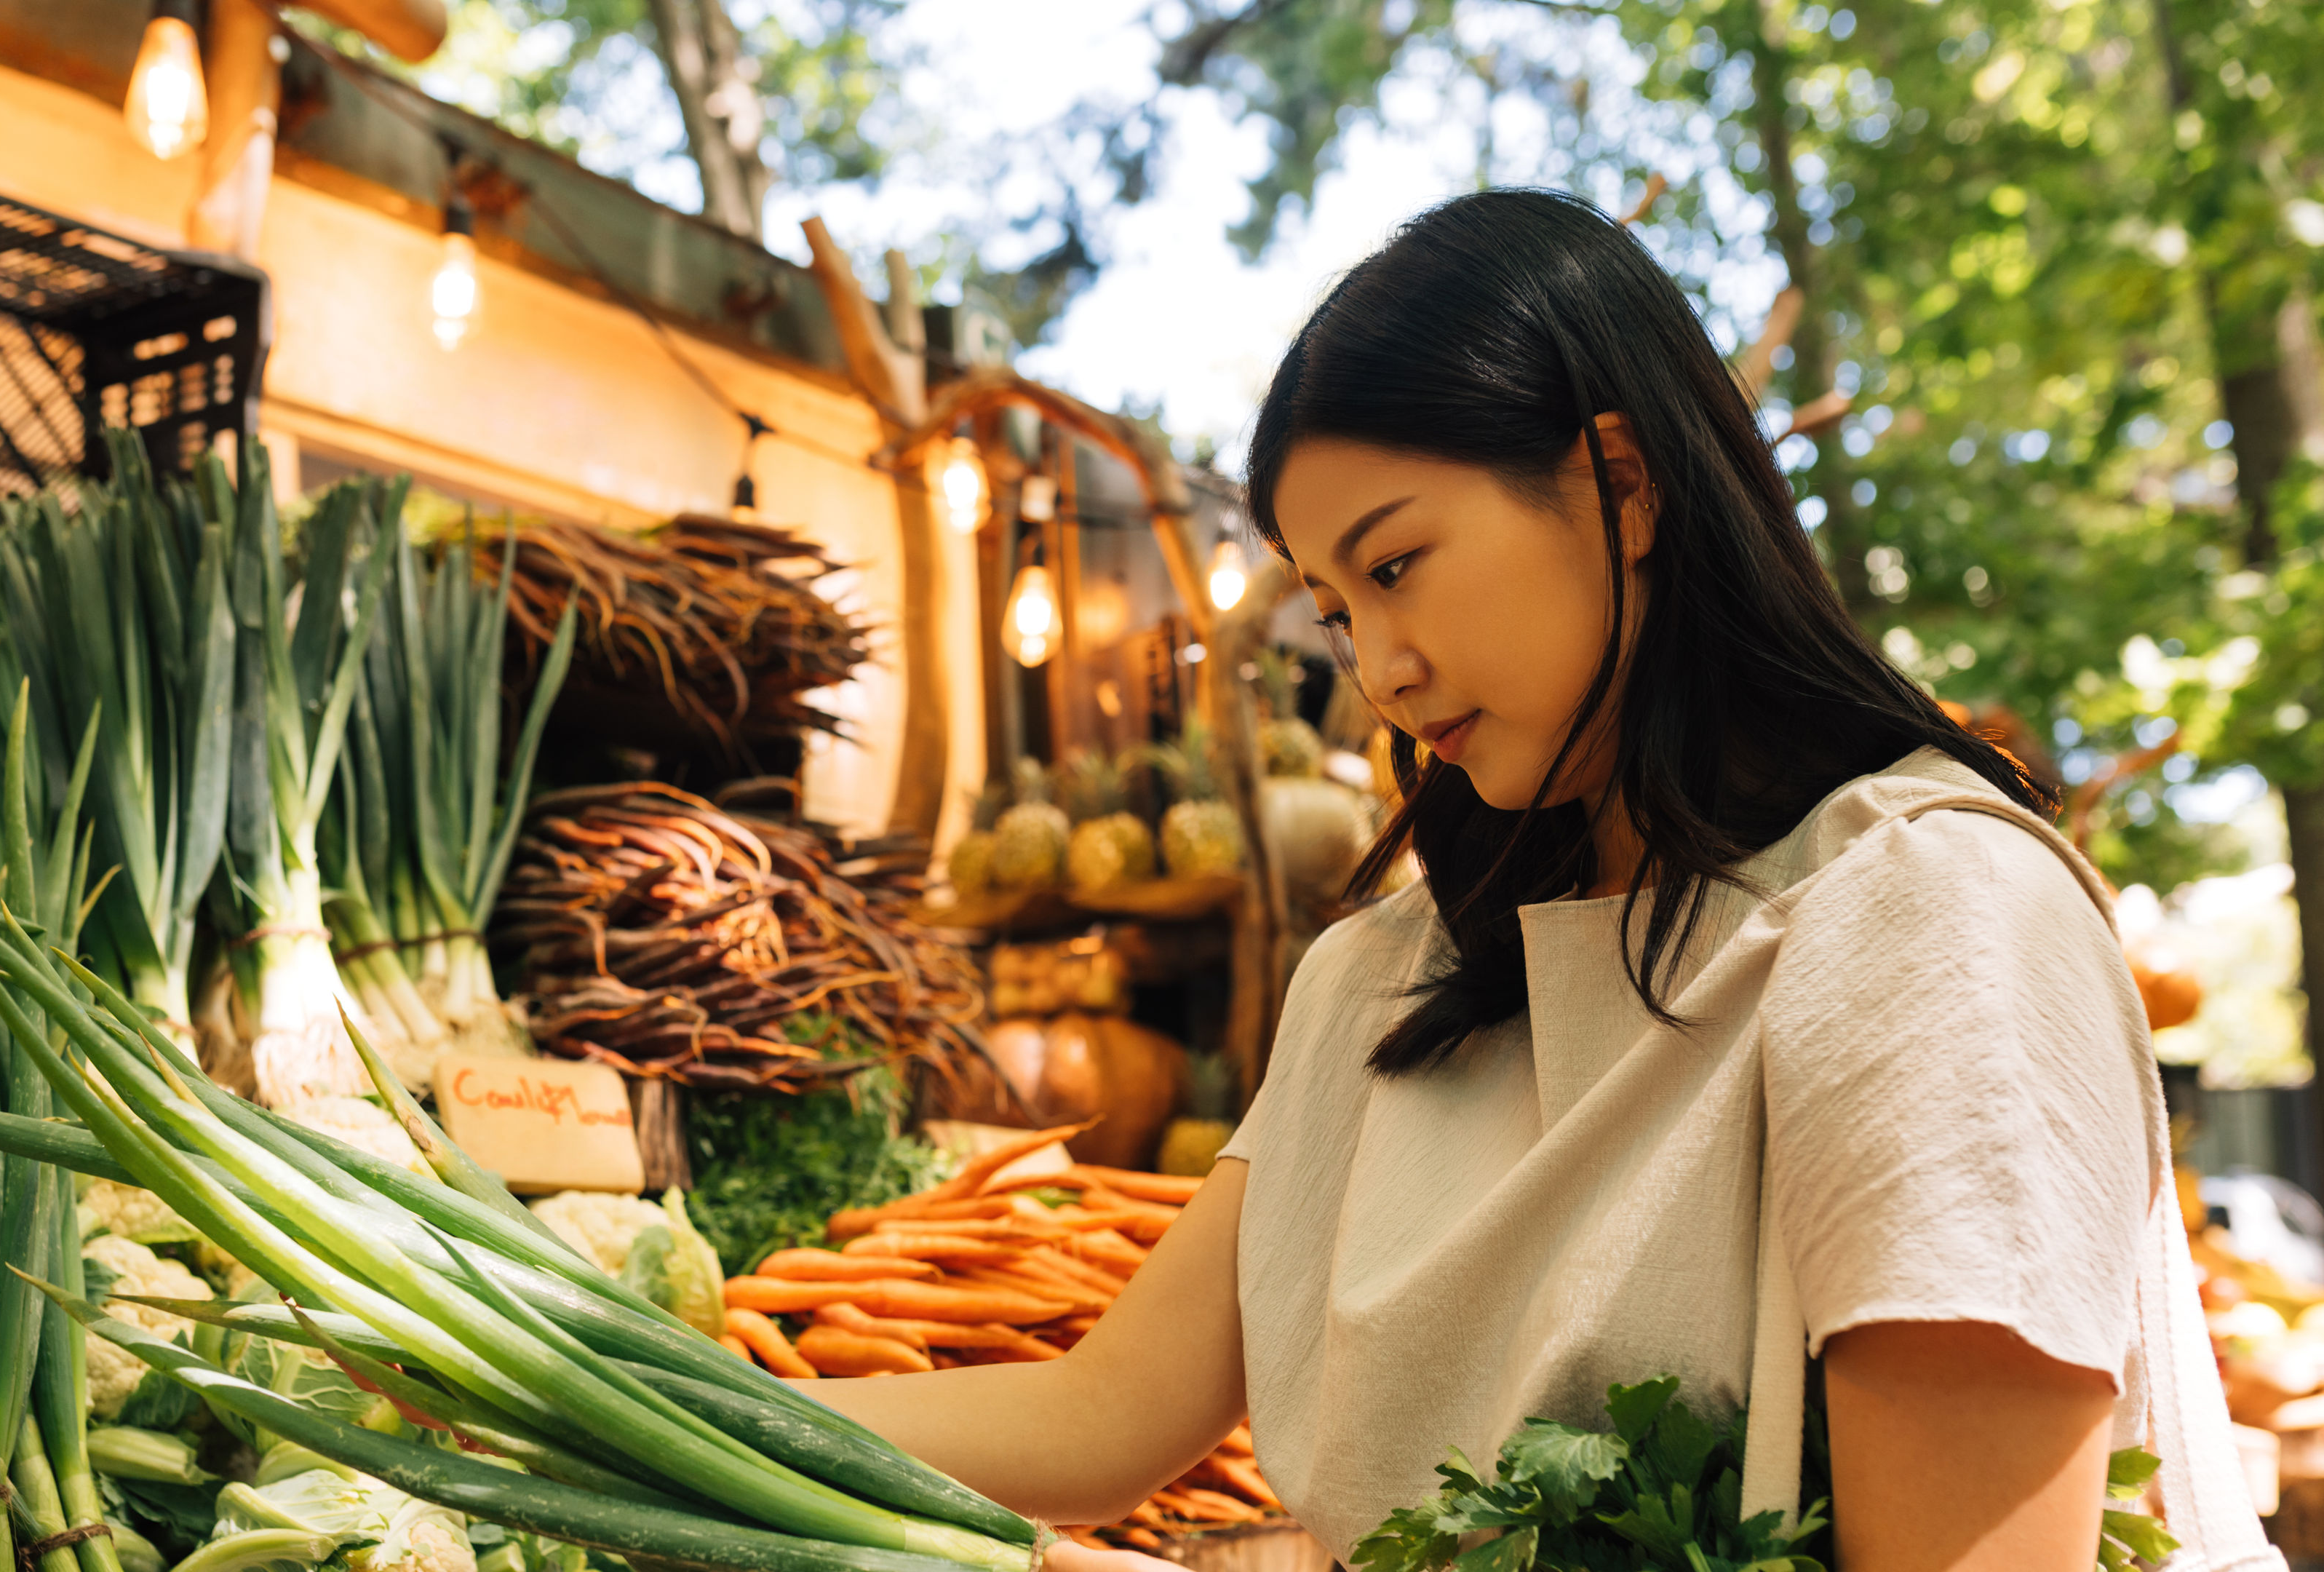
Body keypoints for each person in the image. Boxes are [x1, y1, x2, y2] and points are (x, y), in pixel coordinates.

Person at [805, 189, 2278, 1572]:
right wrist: (623, 1390)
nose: (1379, 670)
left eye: (1396, 568)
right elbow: (1102, 1419)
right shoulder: (1386, 978)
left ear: (1621, 483)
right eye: (1332, 609)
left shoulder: (1924, 914)